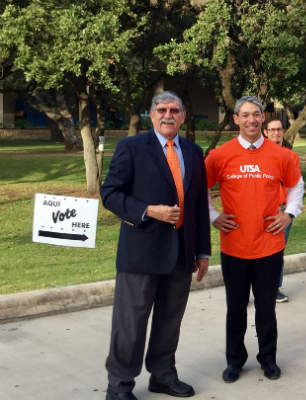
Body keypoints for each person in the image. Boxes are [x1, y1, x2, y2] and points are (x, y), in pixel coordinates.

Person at [100, 91, 211, 400]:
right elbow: (109, 193)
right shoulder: (131, 147)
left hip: (181, 252)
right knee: (131, 324)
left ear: (183, 116)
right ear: (151, 115)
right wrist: (149, 211)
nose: (168, 115)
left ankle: (162, 375)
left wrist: (202, 251)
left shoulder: (192, 151)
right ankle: (119, 386)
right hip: (141, 252)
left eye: (174, 110)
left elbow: (199, 204)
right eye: (161, 109)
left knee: (169, 321)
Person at [206, 96, 303, 383]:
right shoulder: (220, 155)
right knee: (235, 308)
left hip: (269, 245)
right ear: (235, 119)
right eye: (245, 114)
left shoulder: (281, 154)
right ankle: (235, 361)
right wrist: (213, 216)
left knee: (266, 308)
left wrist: (289, 214)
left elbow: (296, 185)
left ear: (263, 118)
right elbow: (199, 188)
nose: (251, 119)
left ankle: (268, 359)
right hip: (234, 246)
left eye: (256, 114)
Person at [262, 117, 303, 303]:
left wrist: (290, 211)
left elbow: (295, 185)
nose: (276, 133)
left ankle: (274, 289)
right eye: (272, 130)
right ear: (265, 132)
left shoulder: (290, 156)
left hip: (281, 209)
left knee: (277, 251)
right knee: (255, 250)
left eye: (279, 130)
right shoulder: (258, 154)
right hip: (260, 209)